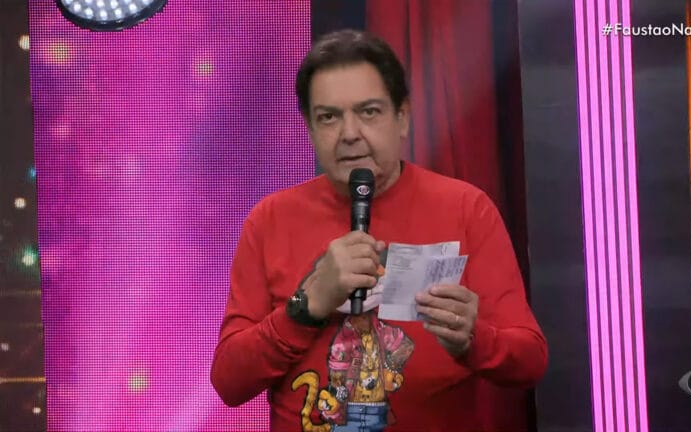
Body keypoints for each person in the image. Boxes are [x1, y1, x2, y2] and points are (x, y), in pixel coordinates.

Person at [211, 29, 548, 432]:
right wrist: (306, 306)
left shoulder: (466, 209)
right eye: (329, 117)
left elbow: (530, 360)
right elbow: (229, 381)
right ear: (310, 129)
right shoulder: (269, 220)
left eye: (368, 112)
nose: (349, 133)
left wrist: (474, 339)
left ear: (402, 118)